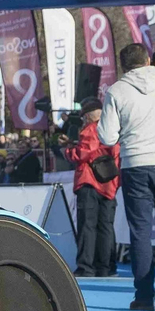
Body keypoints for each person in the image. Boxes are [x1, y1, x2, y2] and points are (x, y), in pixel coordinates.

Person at [99, 41, 155, 311]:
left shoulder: (116, 90)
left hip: (136, 163)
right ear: (149, 60)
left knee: (140, 232)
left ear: (123, 66)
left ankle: (143, 296)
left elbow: (107, 136)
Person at [62, 97, 120, 278]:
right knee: (106, 227)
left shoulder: (91, 129)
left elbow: (83, 153)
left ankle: (86, 267)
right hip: (109, 184)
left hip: (89, 182)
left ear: (88, 114)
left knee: (87, 226)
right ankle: (106, 266)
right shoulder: (114, 129)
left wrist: (68, 150)